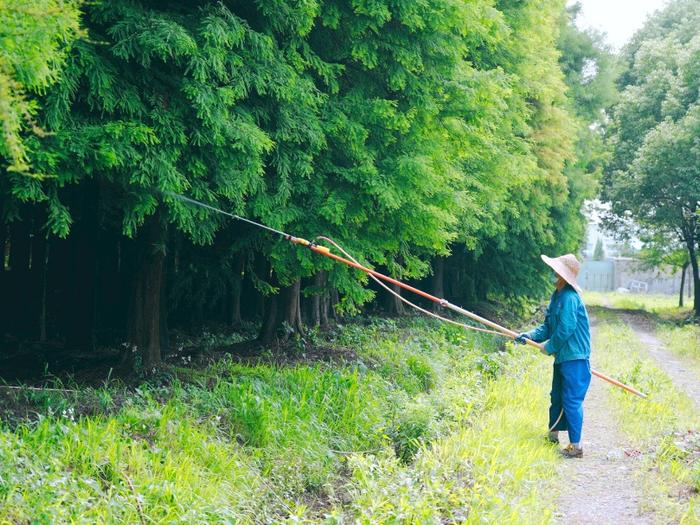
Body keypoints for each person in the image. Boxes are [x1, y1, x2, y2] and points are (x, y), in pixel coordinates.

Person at [515, 254, 591, 458]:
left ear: (563, 275)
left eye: (557, 270)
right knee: (556, 396)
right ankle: (552, 437)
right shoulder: (557, 295)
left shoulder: (570, 297)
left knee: (572, 400)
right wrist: (529, 335)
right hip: (562, 356)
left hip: (575, 358)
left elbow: (566, 327)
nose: (554, 272)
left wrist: (549, 346)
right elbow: (549, 326)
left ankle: (576, 447)